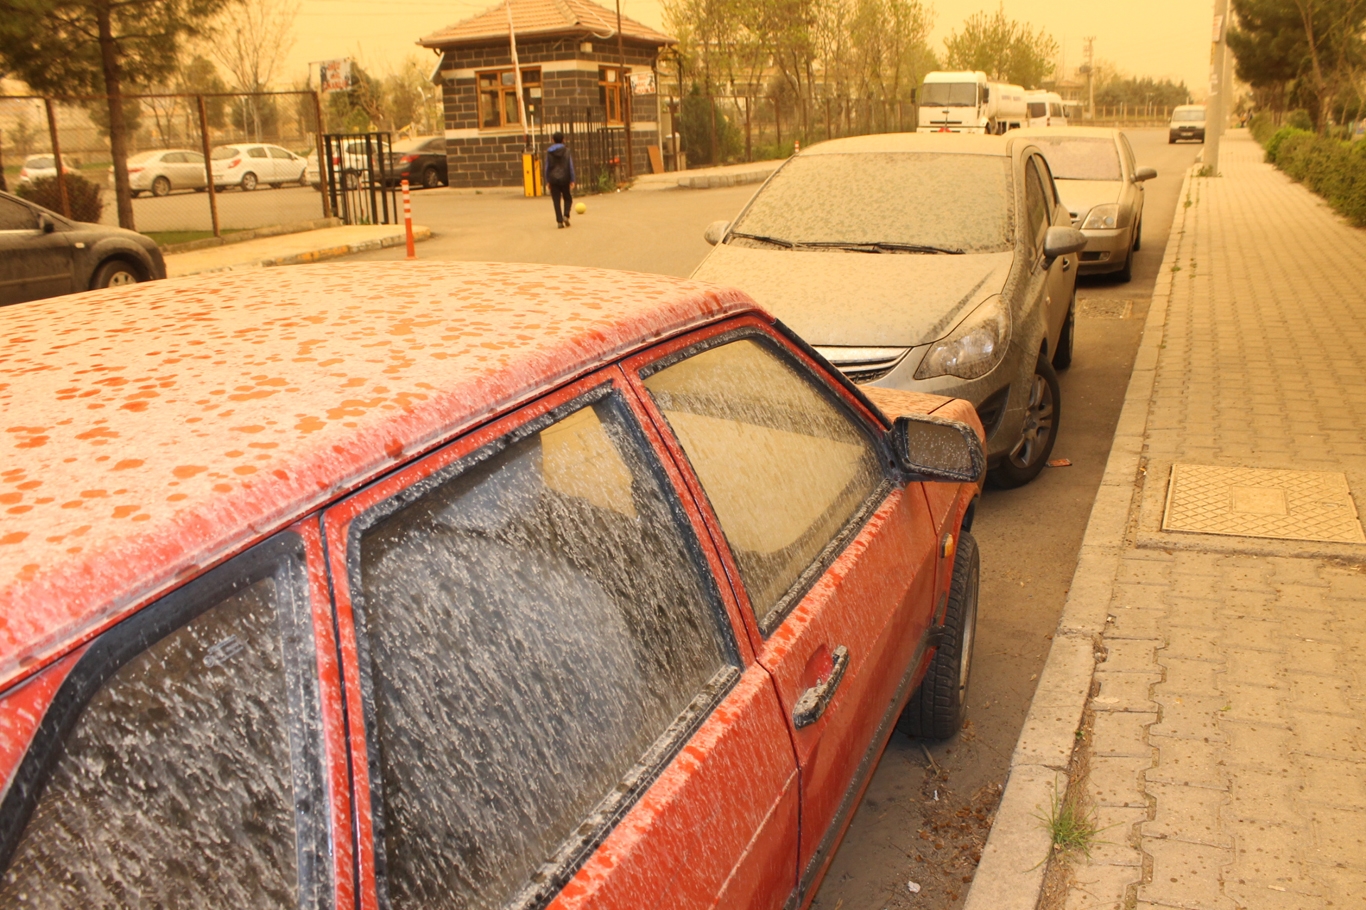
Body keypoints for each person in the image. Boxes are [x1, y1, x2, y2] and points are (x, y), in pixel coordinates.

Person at [544, 133, 576, 228]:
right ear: (563, 140)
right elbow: (570, 166)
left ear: (552, 140)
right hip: (565, 178)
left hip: (553, 179)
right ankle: (566, 215)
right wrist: (572, 179)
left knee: (556, 200)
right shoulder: (566, 151)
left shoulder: (549, 152)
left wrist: (548, 180)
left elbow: (547, 167)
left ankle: (559, 221)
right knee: (568, 198)